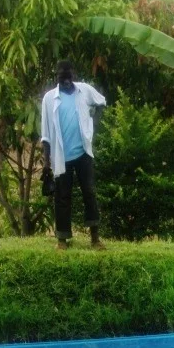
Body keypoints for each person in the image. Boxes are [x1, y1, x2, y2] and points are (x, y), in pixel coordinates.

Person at [40, 60, 107, 250]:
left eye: (69, 76)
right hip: (61, 157)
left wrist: (94, 122)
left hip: (83, 153)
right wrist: (47, 162)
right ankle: (62, 240)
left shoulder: (84, 90)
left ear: (74, 75)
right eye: (62, 77)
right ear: (57, 77)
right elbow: (46, 134)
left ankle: (95, 238)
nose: (66, 80)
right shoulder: (49, 98)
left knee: (89, 193)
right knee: (62, 197)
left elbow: (102, 101)